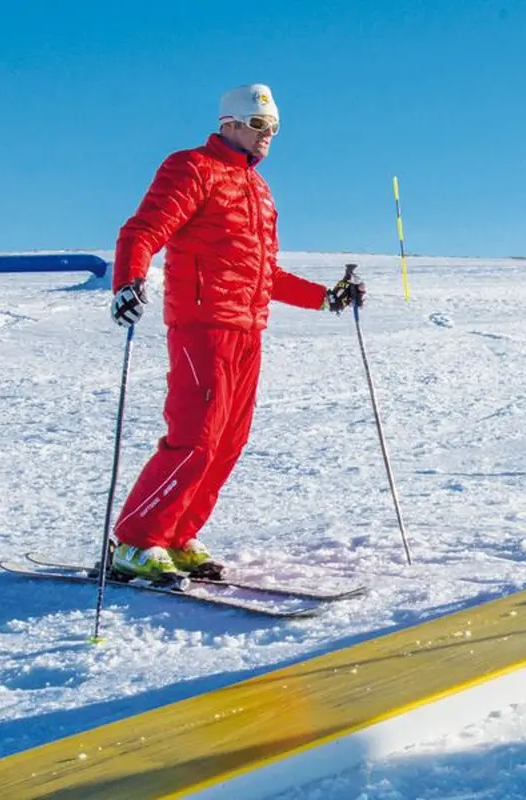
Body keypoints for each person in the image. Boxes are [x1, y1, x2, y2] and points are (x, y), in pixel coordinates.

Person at [108, 83, 366, 581]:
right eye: (257, 124)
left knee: (229, 440)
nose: (267, 135)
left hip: (248, 329)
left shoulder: (258, 190)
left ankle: (177, 533)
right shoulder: (192, 167)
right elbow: (141, 231)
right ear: (228, 123)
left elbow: (266, 272)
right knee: (196, 437)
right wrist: (128, 282)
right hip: (202, 325)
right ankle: (137, 540)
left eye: (274, 128)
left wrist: (324, 296)